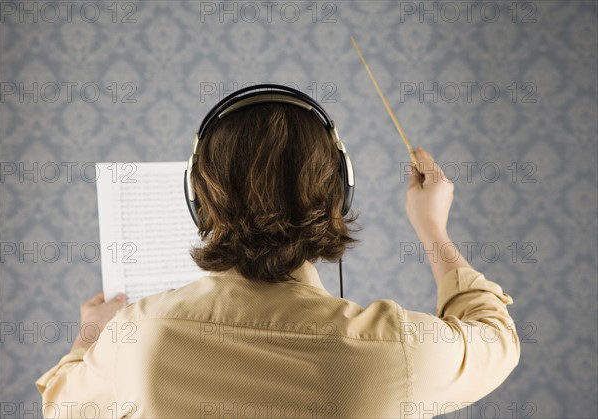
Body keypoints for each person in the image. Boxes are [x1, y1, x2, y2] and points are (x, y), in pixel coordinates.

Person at [36, 97, 520, 418]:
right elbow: (494, 337)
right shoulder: (393, 347)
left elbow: (61, 410)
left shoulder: (136, 335)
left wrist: (92, 337)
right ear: (339, 194)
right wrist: (432, 227)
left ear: (198, 197)